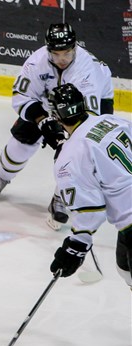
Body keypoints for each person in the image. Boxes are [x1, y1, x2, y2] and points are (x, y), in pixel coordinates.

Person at [0, 23, 114, 230]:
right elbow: (21, 96)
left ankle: (61, 198)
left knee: (78, 152)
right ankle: (2, 176)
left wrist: (66, 139)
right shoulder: (36, 63)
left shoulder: (87, 70)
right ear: (48, 51)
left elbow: (86, 119)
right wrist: (43, 120)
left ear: (75, 48)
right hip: (47, 105)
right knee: (20, 144)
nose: (62, 59)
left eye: (67, 53)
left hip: (88, 108)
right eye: (56, 54)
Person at [47, 83, 131, 288]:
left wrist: (76, 246)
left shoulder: (69, 157)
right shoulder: (111, 120)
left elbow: (90, 211)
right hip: (128, 224)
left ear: (57, 117)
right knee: (124, 267)